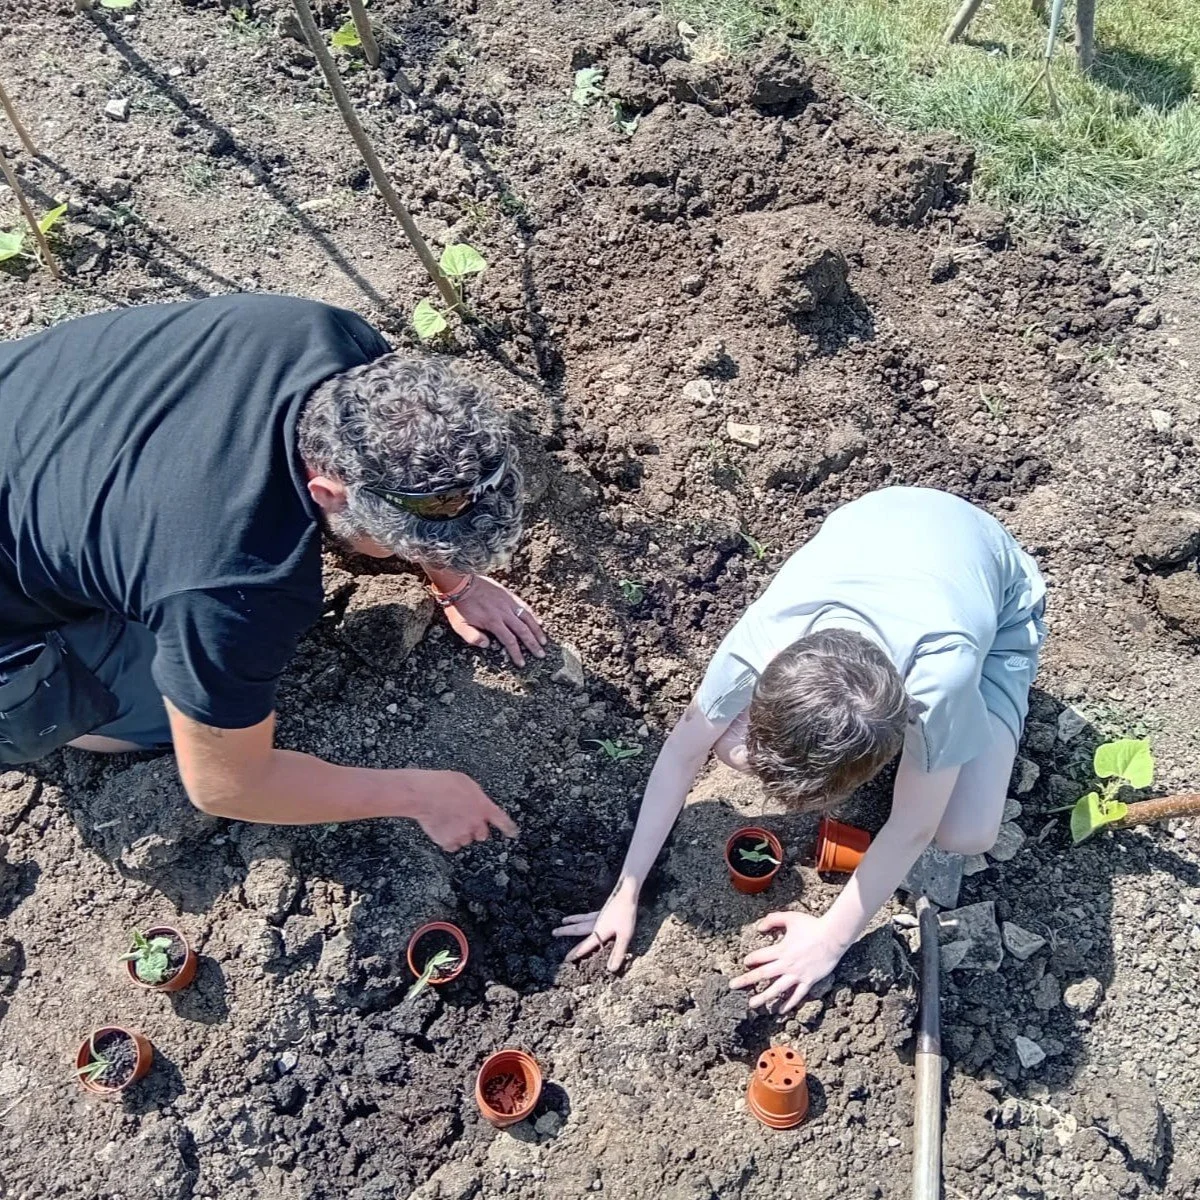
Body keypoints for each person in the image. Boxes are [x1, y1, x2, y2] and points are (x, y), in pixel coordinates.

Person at [0, 293, 546, 852]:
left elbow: (421, 486)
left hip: (35, 419)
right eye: (403, 545)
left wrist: (456, 582)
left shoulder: (331, 345)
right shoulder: (232, 583)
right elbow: (226, 784)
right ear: (328, 492)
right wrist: (420, 795)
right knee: (178, 716)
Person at [556, 487, 1045, 1014]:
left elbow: (915, 827)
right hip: (884, 517)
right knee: (728, 747)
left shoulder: (941, 678)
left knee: (966, 831)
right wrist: (625, 893)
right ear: (772, 677)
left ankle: (994, 692)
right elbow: (681, 752)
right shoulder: (765, 640)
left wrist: (830, 939)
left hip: (998, 595)